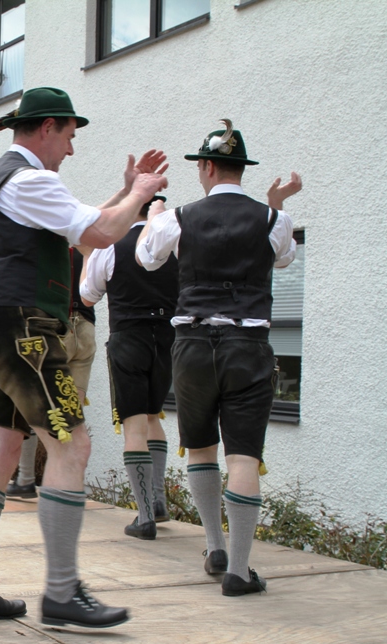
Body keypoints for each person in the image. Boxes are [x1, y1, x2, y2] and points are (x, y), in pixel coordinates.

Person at [0, 86, 167, 628]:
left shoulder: (14, 180)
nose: (71, 148)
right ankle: (63, 593)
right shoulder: (29, 180)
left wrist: (125, 192)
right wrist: (140, 194)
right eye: (69, 136)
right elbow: (101, 233)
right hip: (24, 332)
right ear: (47, 128)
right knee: (73, 444)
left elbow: (85, 230)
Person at [136, 119, 301, 596]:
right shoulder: (272, 220)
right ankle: (239, 571)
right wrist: (275, 206)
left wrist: (154, 214)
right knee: (243, 456)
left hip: (191, 344)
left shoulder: (178, 218)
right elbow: (284, 257)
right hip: (248, 346)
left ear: (207, 168)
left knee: (202, 447)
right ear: (239, 169)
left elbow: (147, 258)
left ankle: (214, 547)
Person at [80, 195, 179, 539]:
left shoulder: (110, 246)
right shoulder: (174, 245)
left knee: (134, 425)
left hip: (128, 337)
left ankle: (145, 515)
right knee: (153, 416)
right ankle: (159, 499)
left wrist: (87, 257)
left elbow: (88, 295)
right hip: (167, 338)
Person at [8, 248, 97, 498]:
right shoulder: (91, 250)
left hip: (57, 328)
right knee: (73, 412)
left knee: (34, 404)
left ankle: (26, 479)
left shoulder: (47, 250)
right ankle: (71, 482)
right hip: (87, 330)